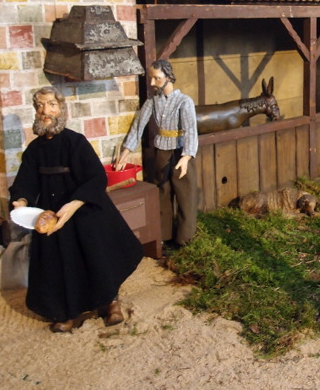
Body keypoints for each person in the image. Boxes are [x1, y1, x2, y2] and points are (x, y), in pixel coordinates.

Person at [10, 87, 143, 333]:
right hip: (52, 214)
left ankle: (110, 301)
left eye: (51, 105)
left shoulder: (75, 142)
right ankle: (66, 311)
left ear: (61, 110)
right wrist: (21, 201)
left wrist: (75, 204)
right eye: (40, 106)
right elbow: (25, 182)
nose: (45, 111)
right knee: (57, 263)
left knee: (97, 255)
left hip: (83, 208)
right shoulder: (34, 150)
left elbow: (95, 178)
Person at [116, 59, 199, 246]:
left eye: (157, 78)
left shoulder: (184, 101)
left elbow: (191, 130)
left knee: (186, 195)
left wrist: (187, 156)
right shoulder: (153, 102)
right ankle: (165, 235)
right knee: (162, 192)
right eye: (152, 79)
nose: (153, 83)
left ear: (168, 77)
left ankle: (185, 238)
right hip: (162, 150)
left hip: (180, 152)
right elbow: (138, 126)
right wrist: (126, 151)